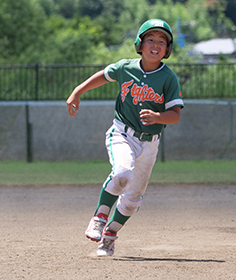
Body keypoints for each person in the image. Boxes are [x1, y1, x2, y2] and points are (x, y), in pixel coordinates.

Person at [66, 19, 184, 257]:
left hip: (150, 143)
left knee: (132, 199)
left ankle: (110, 236)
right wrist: (77, 91)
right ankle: (100, 216)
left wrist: (158, 116)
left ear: (168, 50)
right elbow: (104, 75)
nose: (156, 44)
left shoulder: (168, 78)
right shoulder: (125, 67)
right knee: (122, 173)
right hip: (122, 133)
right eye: (150, 39)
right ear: (139, 44)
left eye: (162, 41)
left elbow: (175, 116)